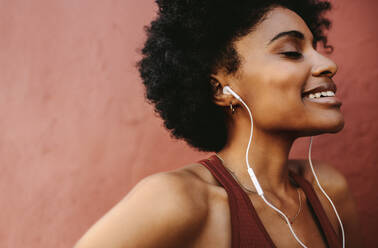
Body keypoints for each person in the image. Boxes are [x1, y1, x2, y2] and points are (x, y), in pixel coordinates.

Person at [75, 0, 362, 247]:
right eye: (291, 52)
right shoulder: (180, 201)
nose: (327, 64)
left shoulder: (327, 192)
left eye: (316, 47)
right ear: (220, 90)